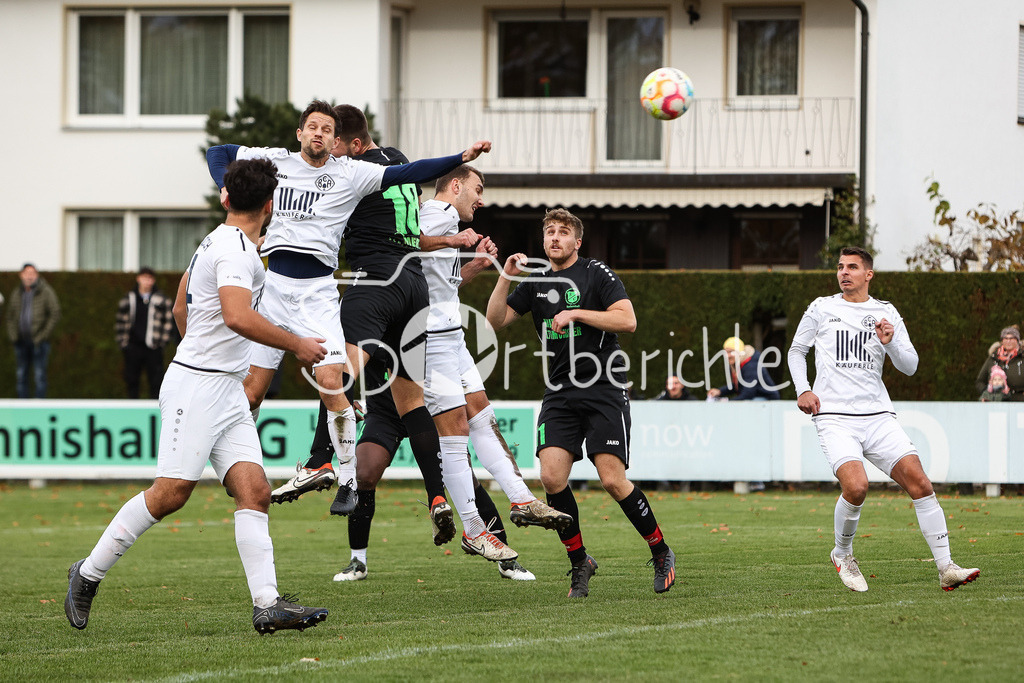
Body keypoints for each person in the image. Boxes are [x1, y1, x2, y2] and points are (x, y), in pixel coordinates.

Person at [65, 158, 330, 634]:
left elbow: (182, 298)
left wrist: (201, 348)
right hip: (197, 387)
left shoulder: (220, 240)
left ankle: (267, 604)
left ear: (226, 198)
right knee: (170, 494)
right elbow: (235, 316)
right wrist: (297, 345)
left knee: (255, 491)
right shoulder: (232, 249)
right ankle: (86, 574)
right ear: (270, 206)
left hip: (223, 388)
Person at [205, 100, 491, 513]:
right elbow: (219, 153)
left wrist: (460, 158)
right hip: (274, 288)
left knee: (332, 383)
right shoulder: (275, 161)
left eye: (327, 129)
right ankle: (235, 463)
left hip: (318, 291)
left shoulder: (350, 173)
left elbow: (407, 172)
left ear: (336, 140)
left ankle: (347, 480)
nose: (319, 134)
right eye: (312, 127)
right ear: (300, 134)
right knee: (249, 394)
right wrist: (225, 186)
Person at [486, 208, 676, 598]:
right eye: (550, 232)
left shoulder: (596, 273)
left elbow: (628, 320)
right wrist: (506, 276)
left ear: (577, 242)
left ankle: (660, 551)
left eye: (563, 232)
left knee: (611, 480)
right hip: (559, 391)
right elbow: (495, 319)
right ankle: (580, 562)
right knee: (552, 478)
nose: (555, 238)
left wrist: (575, 313)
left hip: (604, 386)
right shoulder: (536, 281)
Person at [787, 246, 979, 593]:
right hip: (834, 417)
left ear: (868, 275)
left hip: (877, 416)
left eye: (852, 267)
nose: (844, 273)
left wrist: (889, 343)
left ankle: (946, 568)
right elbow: (797, 350)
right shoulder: (821, 307)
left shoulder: (885, 312)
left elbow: (910, 365)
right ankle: (843, 554)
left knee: (920, 483)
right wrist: (803, 389)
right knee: (857, 487)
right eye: (841, 267)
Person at [417, 167, 573, 563]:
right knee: (454, 431)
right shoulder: (438, 215)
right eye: (477, 190)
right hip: (428, 341)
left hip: (451, 334)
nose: (480, 199)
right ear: (455, 186)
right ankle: (473, 529)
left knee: (482, 418)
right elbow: (405, 246)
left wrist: (478, 265)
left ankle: (521, 500)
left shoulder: (442, 219)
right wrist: (455, 239)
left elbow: (439, 282)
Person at [330, 350, 536, 582]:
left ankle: (506, 559)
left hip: (425, 412)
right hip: (385, 414)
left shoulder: (421, 323)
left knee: (464, 478)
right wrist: (342, 396)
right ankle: (358, 561)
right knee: (363, 475)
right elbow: (342, 357)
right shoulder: (370, 322)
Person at [115, 267, 176, 399]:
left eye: (149, 278)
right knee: (131, 380)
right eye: (144, 278)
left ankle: (155, 409)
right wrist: (124, 343)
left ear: (153, 281)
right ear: (138, 279)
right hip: (133, 346)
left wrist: (162, 343)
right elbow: (120, 321)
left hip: (153, 346)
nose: (147, 281)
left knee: (155, 381)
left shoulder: (162, 299)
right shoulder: (129, 298)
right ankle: (132, 410)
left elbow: (169, 322)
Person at [5, 263, 60, 398]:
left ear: (37, 275)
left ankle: (39, 407)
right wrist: (13, 336)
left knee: (39, 375)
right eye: (27, 273)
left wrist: (43, 335)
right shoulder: (17, 293)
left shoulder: (45, 291)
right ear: (21, 275)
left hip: (39, 342)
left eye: (32, 273)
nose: (29, 276)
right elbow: (10, 316)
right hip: (21, 341)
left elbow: (55, 313)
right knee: (21, 375)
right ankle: (23, 407)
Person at [707, 336, 780, 401]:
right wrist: (720, 391)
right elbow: (737, 386)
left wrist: (727, 402)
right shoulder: (735, 365)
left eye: (731, 352)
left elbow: (748, 394)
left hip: (768, 400)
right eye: (726, 352)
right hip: (754, 398)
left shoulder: (751, 365)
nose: (728, 355)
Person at [974, 326, 1024, 400]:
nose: (1008, 341)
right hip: (996, 404)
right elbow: (979, 382)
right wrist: (987, 394)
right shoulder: (993, 358)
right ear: (1002, 341)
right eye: (1005, 338)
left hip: (1020, 403)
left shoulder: (1022, 357)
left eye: (1011, 338)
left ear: (1017, 340)